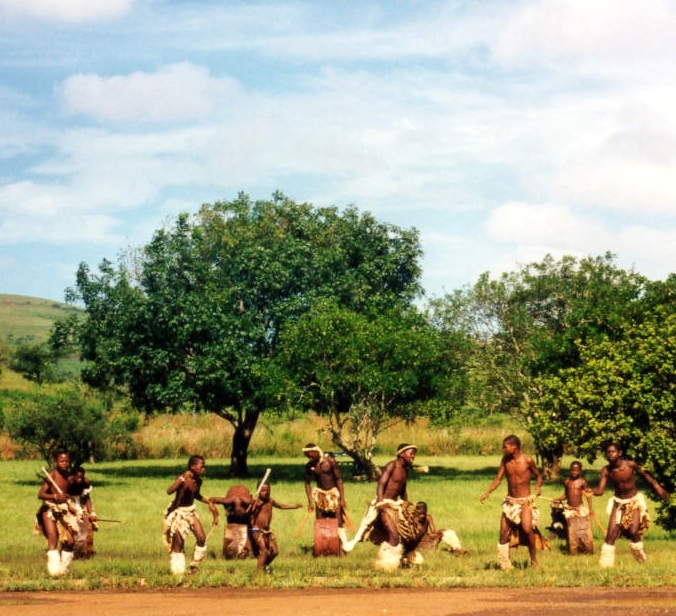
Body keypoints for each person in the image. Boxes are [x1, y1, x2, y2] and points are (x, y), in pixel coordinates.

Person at [343, 443, 420, 571]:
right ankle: (386, 566)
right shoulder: (392, 465)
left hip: (395, 505)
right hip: (384, 504)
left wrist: (405, 504)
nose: (413, 456)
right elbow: (381, 484)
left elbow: (403, 489)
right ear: (401, 454)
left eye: (414, 454)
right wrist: (381, 503)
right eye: (411, 453)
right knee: (394, 536)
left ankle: (396, 563)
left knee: (404, 535)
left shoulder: (405, 470)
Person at [592, 442, 669, 568]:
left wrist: (658, 487)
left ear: (620, 453)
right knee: (611, 534)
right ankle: (605, 566)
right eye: (608, 452)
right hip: (618, 503)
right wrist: (592, 492)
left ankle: (640, 557)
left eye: (613, 452)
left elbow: (646, 476)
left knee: (633, 531)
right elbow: (600, 491)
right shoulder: (606, 470)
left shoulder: (630, 465)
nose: (611, 454)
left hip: (633, 501)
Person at [480, 434, 548, 570]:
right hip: (510, 502)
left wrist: (538, 486)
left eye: (505, 447)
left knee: (527, 529)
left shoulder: (528, 460)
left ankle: (533, 560)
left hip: (525, 502)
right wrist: (488, 492)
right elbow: (498, 479)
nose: (503, 450)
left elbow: (539, 476)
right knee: (503, 532)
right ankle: (505, 564)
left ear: (514, 447)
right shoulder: (505, 460)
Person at [163, 454, 219, 575]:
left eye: (204, 466)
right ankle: (177, 573)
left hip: (190, 511)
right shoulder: (184, 478)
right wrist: (179, 481)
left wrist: (209, 501)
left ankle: (194, 566)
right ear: (193, 466)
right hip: (179, 513)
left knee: (201, 538)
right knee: (178, 544)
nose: (204, 469)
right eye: (202, 466)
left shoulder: (198, 480)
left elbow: (196, 495)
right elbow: (169, 491)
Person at [35, 450, 78, 577]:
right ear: (56, 462)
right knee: (53, 537)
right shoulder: (52, 475)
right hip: (49, 509)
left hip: (63, 509)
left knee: (70, 541)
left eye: (66, 461)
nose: (64, 463)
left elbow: (68, 494)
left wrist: (70, 505)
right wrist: (55, 496)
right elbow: (41, 494)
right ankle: (54, 572)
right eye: (61, 461)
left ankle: (64, 571)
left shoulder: (68, 477)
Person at [248, 483, 302, 573]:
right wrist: (254, 504)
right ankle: (259, 573)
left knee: (275, 551)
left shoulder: (270, 501)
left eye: (268, 490)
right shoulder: (256, 502)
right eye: (263, 490)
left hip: (267, 531)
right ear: (258, 491)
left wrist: (294, 507)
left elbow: (281, 506)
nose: (267, 492)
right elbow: (250, 513)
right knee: (264, 551)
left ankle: (263, 567)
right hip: (256, 530)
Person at [302, 443, 349, 550]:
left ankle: (343, 545)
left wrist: (342, 498)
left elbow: (338, 479)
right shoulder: (309, 466)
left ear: (316, 452)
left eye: (310, 454)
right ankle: (321, 546)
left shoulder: (330, 461)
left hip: (333, 494)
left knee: (338, 520)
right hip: (320, 495)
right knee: (320, 520)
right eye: (306, 455)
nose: (308, 457)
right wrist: (310, 501)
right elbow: (307, 483)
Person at [552, 461, 594, 555]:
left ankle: (587, 550)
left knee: (583, 530)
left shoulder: (582, 482)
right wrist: (557, 499)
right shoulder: (567, 482)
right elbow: (566, 495)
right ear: (570, 470)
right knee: (572, 530)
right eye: (572, 470)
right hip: (569, 509)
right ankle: (574, 551)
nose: (574, 472)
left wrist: (591, 509)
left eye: (576, 470)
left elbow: (588, 495)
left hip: (580, 509)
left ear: (580, 471)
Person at [209, 484, 254, 559]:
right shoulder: (228, 502)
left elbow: (262, 502)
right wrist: (215, 516)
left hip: (244, 509)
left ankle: (245, 551)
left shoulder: (248, 503)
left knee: (247, 532)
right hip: (232, 511)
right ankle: (231, 554)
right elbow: (211, 500)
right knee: (232, 533)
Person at [68, 466, 99, 559]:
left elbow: (87, 498)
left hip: (79, 505)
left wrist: (91, 513)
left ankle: (86, 553)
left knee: (88, 527)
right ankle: (72, 552)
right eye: (78, 477)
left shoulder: (85, 483)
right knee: (73, 528)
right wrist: (70, 507)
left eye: (81, 477)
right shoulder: (68, 482)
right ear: (73, 476)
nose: (80, 479)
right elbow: (64, 497)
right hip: (68, 504)